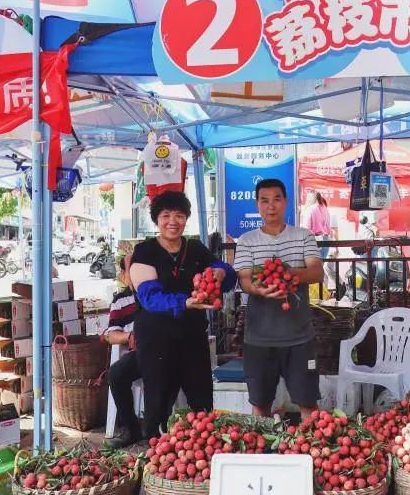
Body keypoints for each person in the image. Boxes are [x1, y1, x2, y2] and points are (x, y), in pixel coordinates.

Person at [128, 191, 236, 437]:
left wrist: (220, 272)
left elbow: (225, 272)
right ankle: (156, 455)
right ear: (157, 220)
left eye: (179, 215)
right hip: (156, 340)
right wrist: (186, 302)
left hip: (192, 337)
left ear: (186, 218)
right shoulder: (145, 251)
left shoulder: (195, 248)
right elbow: (150, 298)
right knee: (158, 402)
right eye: (166, 216)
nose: (172, 221)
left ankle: (203, 453)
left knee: (202, 402)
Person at [235, 179, 325, 418]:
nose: (271, 206)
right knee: (260, 405)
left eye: (277, 199)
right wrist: (259, 288)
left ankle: (313, 450)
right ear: (257, 205)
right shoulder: (246, 241)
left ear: (285, 202)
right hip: (259, 338)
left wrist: (287, 273)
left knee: (308, 403)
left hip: (299, 337)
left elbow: (316, 272)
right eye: (264, 200)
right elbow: (244, 280)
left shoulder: (304, 236)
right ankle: (260, 451)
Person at [104, 254, 142, 446]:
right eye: (129, 270)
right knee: (116, 374)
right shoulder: (120, 300)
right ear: (123, 275)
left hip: (163, 351)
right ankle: (130, 428)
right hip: (138, 354)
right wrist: (128, 337)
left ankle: (160, 426)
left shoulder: (156, 293)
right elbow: (110, 335)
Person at [304, 190, 336, 258]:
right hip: (325, 239)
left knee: (312, 265)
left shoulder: (310, 209)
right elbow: (328, 226)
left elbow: (306, 228)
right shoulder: (325, 209)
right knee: (321, 264)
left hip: (314, 240)